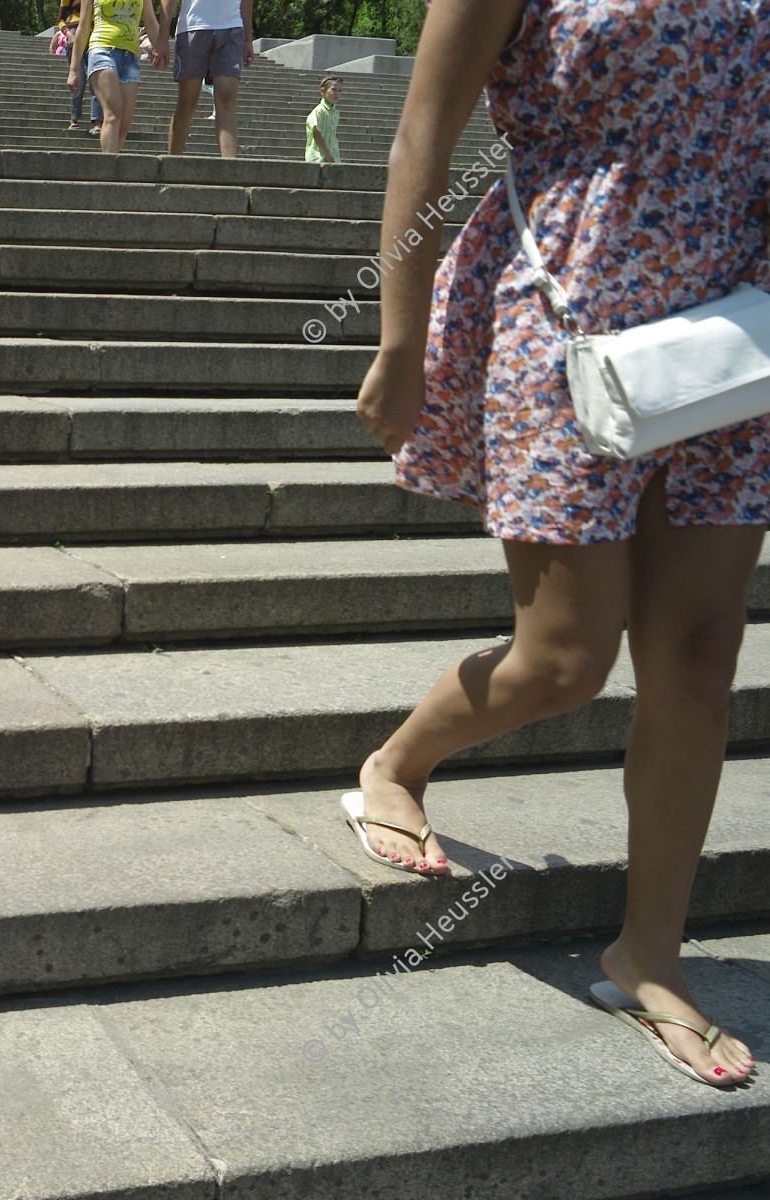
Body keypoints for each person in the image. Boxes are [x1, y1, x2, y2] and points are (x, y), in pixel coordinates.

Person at [353, 0, 766, 1089]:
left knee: (697, 654)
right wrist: (401, 338)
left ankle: (651, 954)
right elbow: (422, 137)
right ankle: (398, 762)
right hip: (567, 313)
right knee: (566, 659)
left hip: (734, 338)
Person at [66, 0, 168, 155]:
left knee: (124, 125)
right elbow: (83, 27)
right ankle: (110, 174)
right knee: (113, 113)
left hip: (131, 57)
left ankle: (110, 161)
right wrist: (74, 69)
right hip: (102, 50)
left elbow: (151, 22)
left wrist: (161, 47)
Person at [164, 0, 249, 157]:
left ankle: (229, 170)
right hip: (194, 26)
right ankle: (172, 162)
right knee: (187, 101)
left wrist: (248, 38)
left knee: (227, 99)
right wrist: (162, 36)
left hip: (232, 26)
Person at [52, 0, 102, 133]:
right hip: (74, 37)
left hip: (95, 37)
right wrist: (69, 34)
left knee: (96, 81)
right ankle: (74, 118)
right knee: (78, 81)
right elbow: (61, 19)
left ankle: (97, 120)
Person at [304, 75, 342, 163]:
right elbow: (316, 133)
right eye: (333, 89)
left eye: (340, 91)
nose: (337, 93)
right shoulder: (319, 111)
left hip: (333, 156)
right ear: (323, 91)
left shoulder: (335, 113)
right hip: (318, 157)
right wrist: (328, 155)